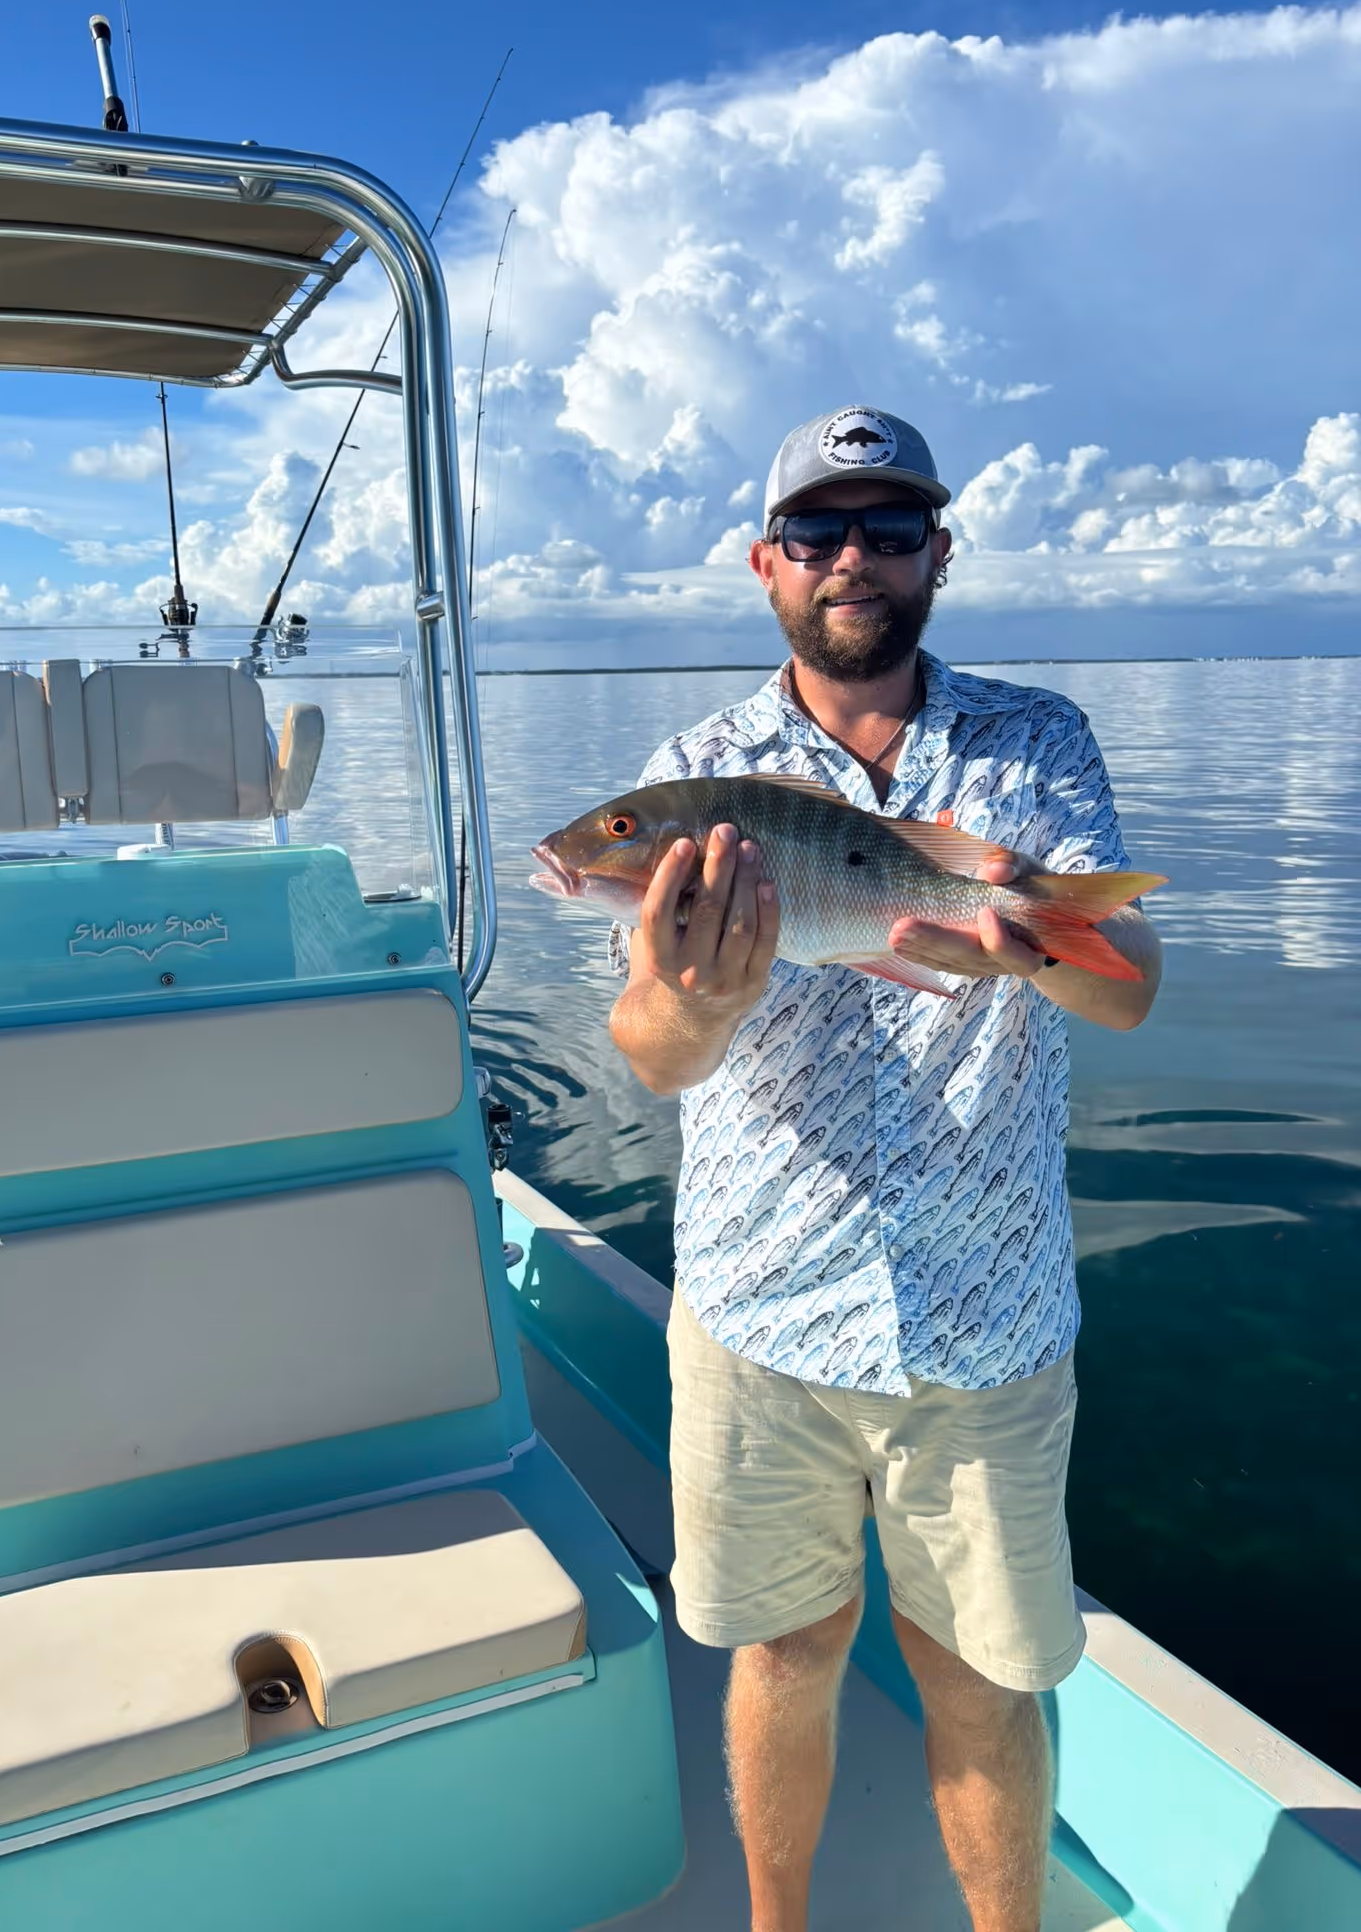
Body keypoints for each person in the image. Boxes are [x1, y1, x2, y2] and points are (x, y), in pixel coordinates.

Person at [608, 404, 1162, 1932]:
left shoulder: (1035, 742)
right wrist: (696, 1000)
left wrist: (1031, 943)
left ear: (937, 552)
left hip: (986, 1328)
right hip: (761, 1319)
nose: (853, 558)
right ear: (764, 563)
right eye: (817, 530)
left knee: (980, 1684)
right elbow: (648, 1051)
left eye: (890, 527)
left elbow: (1126, 986)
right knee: (780, 1654)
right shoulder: (696, 775)